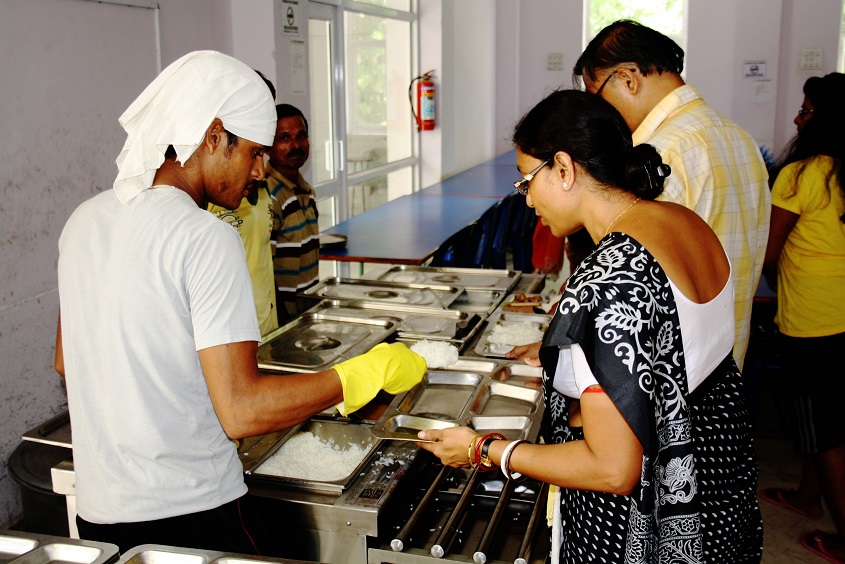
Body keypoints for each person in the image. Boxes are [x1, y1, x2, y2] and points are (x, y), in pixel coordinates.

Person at [54, 50, 426, 554]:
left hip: (100, 512)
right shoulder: (204, 236)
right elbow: (242, 412)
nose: (259, 171)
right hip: (192, 512)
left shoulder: (84, 220)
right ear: (212, 137)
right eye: (253, 152)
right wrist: (360, 373)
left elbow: (66, 361)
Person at [418, 90, 763, 562]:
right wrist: (570, 362)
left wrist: (485, 449)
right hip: (717, 491)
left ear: (563, 168)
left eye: (526, 182)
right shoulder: (685, 223)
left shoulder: (606, 275)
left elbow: (611, 467)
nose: (527, 200)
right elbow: (667, 359)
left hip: (644, 523)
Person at [572, 19, 771, 371]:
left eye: (596, 95)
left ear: (628, 78)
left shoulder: (657, 155)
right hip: (726, 373)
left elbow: (634, 290)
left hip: (670, 380)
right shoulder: (739, 138)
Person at [760, 72, 845, 562]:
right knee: (827, 423)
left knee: (826, 433)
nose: (797, 117)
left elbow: (770, 252)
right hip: (843, 317)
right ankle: (807, 496)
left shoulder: (803, 173)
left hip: (813, 321)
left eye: (807, 110)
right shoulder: (841, 171)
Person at [207, 70, 279, 337]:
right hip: (230, 337)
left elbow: (263, 264)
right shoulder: (208, 198)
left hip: (267, 330)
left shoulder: (261, 187)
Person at [265, 103, 320, 325]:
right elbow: (266, 267)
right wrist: (284, 321)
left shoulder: (306, 190)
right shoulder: (269, 196)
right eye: (284, 138)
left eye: (301, 136)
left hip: (306, 308)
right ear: (268, 146)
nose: (295, 145)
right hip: (284, 317)